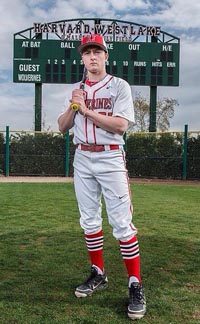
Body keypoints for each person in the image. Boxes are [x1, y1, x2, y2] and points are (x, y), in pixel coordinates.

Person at [58, 34, 146, 320]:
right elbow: (61, 127)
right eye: (87, 52)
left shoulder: (119, 86)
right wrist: (73, 107)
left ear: (106, 56)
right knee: (89, 219)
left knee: (121, 222)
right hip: (82, 157)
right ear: (82, 58)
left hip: (110, 157)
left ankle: (135, 283)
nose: (92, 56)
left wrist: (85, 109)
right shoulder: (77, 89)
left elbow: (120, 125)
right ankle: (98, 273)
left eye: (97, 51)